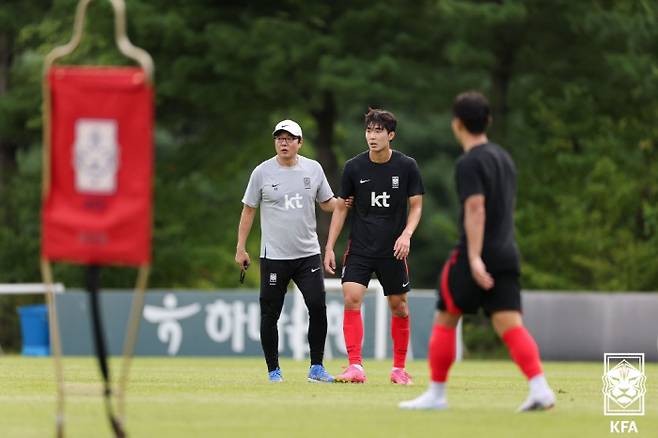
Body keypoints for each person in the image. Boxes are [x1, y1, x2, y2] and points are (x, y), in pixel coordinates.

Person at [399, 91, 556, 411]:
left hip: (477, 253)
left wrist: (473, 257)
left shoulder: (469, 162)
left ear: (457, 124)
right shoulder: (503, 158)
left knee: (445, 318)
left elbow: (476, 208)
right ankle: (540, 388)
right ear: (488, 121)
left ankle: (437, 394)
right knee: (510, 324)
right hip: (507, 252)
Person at [324, 108, 424, 384]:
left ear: (390, 135)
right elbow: (342, 208)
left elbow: (416, 206)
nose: (372, 136)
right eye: (369, 130)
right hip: (360, 247)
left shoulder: (406, 166)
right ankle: (355, 366)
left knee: (399, 306)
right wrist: (330, 246)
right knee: (351, 298)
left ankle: (399, 369)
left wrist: (407, 235)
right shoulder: (354, 167)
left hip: (393, 249)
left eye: (378, 131)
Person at [236, 119, 339, 383]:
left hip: (307, 255)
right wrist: (241, 248)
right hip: (274, 257)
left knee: (317, 306)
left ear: (299, 143)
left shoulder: (313, 169)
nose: (283, 142)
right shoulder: (261, 172)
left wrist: (347, 202)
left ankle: (316, 367)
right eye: (279, 138)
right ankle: (274, 371)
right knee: (271, 314)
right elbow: (249, 210)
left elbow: (327, 203)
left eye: (289, 138)